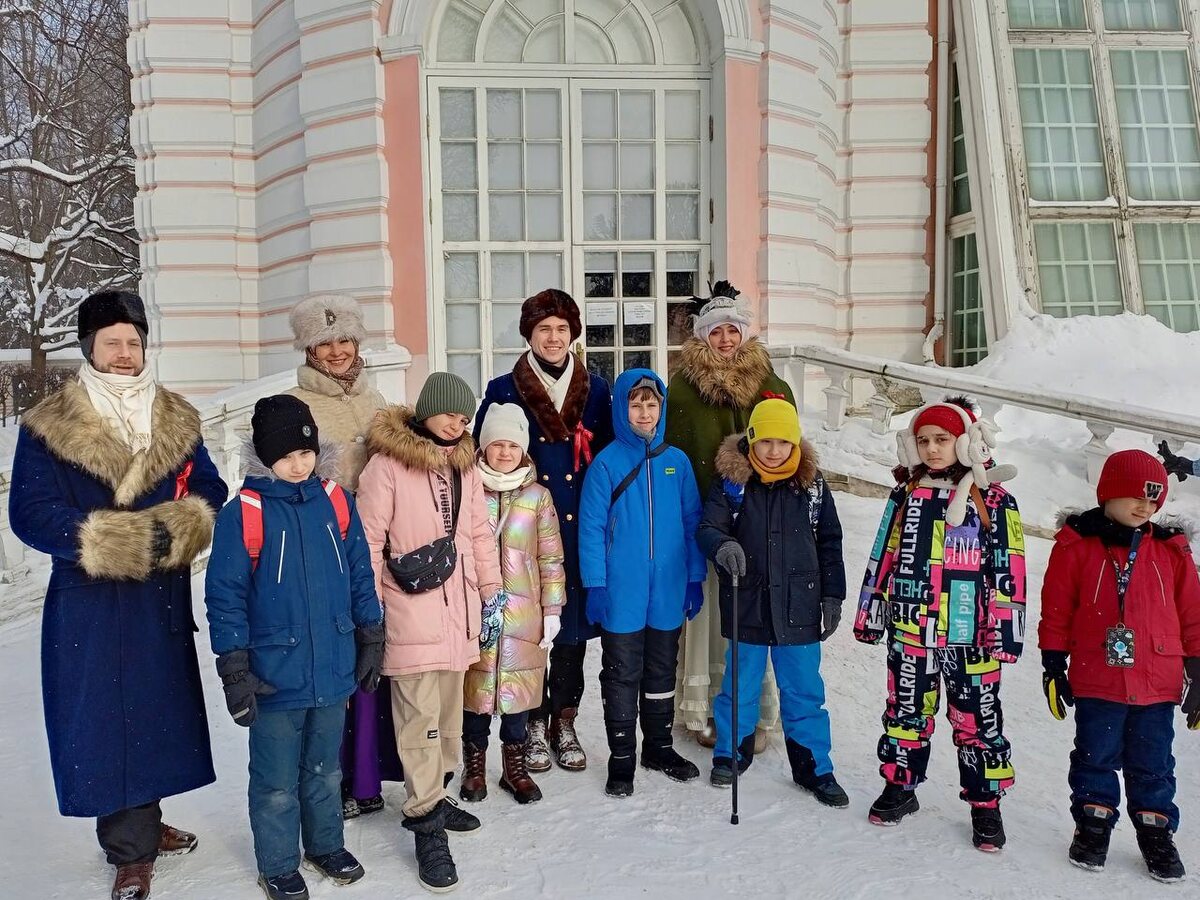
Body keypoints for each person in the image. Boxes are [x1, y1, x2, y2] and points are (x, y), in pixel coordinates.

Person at [8, 290, 227, 900]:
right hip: (90, 596)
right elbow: (29, 511)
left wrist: (178, 527)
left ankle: (145, 823)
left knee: (154, 712)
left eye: (134, 341)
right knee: (106, 720)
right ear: (89, 347)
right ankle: (130, 850)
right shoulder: (50, 422)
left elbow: (209, 487)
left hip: (158, 592)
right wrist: (111, 539)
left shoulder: (175, 417)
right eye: (112, 342)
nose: (125, 353)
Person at [204, 395, 384, 900]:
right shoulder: (245, 514)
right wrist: (234, 667)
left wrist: (371, 633)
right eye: (286, 456)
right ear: (265, 456)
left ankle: (325, 845)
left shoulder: (336, 501)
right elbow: (225, 596)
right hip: (274, 674)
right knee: (276, 779)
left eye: (306, 452)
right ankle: (279, 863)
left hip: (332, 665)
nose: (299, 464)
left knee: (325, 769)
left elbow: (360, 573)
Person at [854, 397, 1025, 851]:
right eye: (924, 440)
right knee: (906, 713)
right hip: (911, 631)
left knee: (978, 721)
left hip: (973, 637)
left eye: (942, 440)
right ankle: (900, 785)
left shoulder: (993, 499)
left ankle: (985, 804)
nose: (932, 449)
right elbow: (884, 552)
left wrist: (1006, 631)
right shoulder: (907, 494)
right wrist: (870, 610)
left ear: (964, 442)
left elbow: (1010, 565)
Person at [357, 372, 502, 893]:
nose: (456, 425)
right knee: (419, 723)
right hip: (410, 613)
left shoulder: (465, 466)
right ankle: (424, 822)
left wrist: (492, 591)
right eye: (449, 414)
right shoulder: (386, 467)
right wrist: (370, 608)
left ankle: (436, 796)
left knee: (447, 719)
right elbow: (367, 542)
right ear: (426, 410)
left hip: (459, 614)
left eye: (464, 418)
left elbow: (479, 534)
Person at [1040, 449, 1200, 882]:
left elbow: (1192, 614)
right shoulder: (1077, 545)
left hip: (1158, 678)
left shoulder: (1171, 548)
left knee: (1154, 760)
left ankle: (1155, 830)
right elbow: (1057, 608)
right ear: (1108, 492)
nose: (1146, 507)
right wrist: (1053, 662)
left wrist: (1198, 667)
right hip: (1099, 675)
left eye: (1154, 499)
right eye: (1136, 497)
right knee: (1095, 755)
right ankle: (1093, 823)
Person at [475, 289, 613, 773]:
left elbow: (609, 460)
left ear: (572, 334)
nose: (553, 338)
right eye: (543, 329)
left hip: (577, 525)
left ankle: (564, 718)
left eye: (561, 329)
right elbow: (481, 457)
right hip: (524, 528)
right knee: (528, 629)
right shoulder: (503, 388)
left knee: (571, 629)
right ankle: (533, 719)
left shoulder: (596, 389)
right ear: (529, 334)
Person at [696, 397, 848, 807]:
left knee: (803, 689)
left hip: (800, 603)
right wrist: (722, 544)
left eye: (783, 442)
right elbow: (708, 527)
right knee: (739, 684)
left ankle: (814, 766)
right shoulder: (733, 484)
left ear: (795, 443)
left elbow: (830, 542)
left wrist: (832, 595)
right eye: (766, 441)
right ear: (751, 440)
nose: (774, 450)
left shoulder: (811, 487)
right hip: (747, 599)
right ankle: (731, 752)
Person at [667, 280, 794, 750]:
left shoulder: (770, 384)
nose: (725, 339)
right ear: (703, 335)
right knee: (708, 615)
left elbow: (790, 449)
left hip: (759, 518)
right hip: (705, 517)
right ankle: (703, 708)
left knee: (751, 615)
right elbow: (674, 453)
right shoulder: (682, 389)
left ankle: (753, 712)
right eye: (715, 331)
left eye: (732, 330)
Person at [285, 293, 395, 820]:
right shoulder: (295, 402)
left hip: (377, 546)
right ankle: (335, 778)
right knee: (335, 660)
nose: (336, 351)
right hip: (323, 547)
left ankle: (369, 773)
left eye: (344, 339)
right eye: (324, 343)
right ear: (309, 350)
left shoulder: (377, 400)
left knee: (375, 654)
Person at [577, 369, 707, 797]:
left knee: (661, 669)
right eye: (636, 405)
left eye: (652, 404)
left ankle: (659, 747)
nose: (645, 413)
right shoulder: (606, 463)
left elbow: (692, 522)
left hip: (668, 588)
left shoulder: (677, 462)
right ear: (621, 408)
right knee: (621, 673)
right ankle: (621, 759)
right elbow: (591, 528)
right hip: (622, 591)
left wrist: (694, 577)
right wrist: (596, 584)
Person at [461, 403, 566, 805]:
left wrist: (552, 610)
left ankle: (514, 768)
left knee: (518, 694)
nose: (504, 452)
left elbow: (550, 557)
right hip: (477, 611)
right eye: (496, 444)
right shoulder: (467, 489)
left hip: (524, 615)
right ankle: (474, 766)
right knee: (475, 692)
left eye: (512, 445)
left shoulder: (538, 497)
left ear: (523, 449)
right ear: (483, 446)